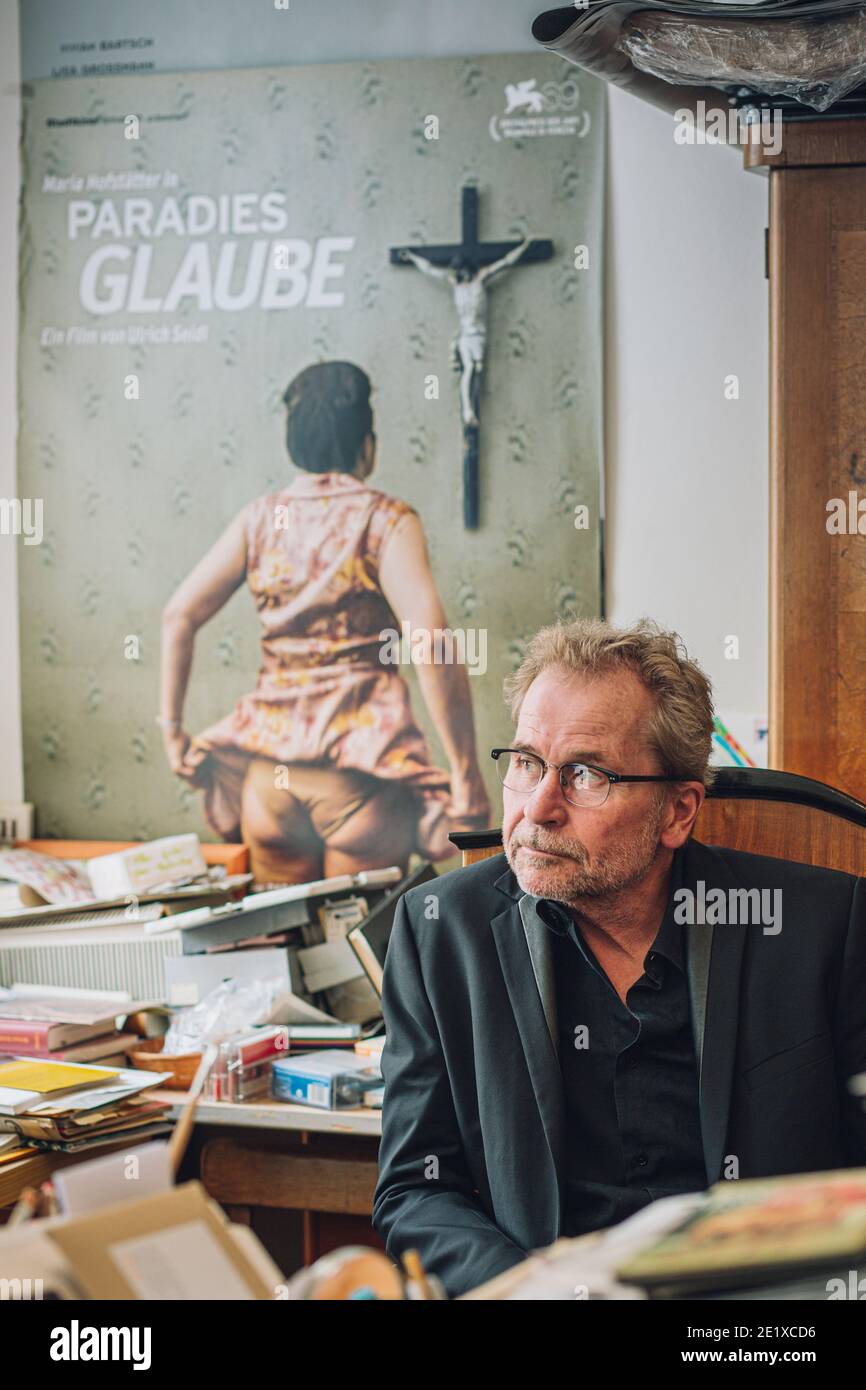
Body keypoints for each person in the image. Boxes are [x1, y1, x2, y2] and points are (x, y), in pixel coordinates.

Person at [372, 617, 866, 1297]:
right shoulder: (440, 931)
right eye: (525, 763)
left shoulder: (824, 928)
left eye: (584, 775)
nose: (537, 808)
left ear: (677, 813)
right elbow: (415, 1187)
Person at [158, 360, 490, 883]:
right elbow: (431, 643)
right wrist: (466, 773)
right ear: (367, 444)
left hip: (270, 786)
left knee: (286, 949)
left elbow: (179, 614)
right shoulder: (386, 519)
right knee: (358, 955)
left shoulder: (259, 518)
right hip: (361, 782)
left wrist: (172, 729)